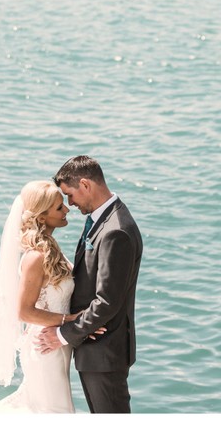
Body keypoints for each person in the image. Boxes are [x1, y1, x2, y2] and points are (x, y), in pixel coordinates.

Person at [0, 180, 103, 413]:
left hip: (57, 345)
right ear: (41, 217)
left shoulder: (52, 250)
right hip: (43, 347)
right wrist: (73, 320)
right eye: (58, 207)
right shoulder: (35, 257)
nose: (66, 209)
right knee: (55, 413)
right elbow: (24, 311)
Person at [36, 156, 143, 414]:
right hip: (96, 351)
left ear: (85, 184)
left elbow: (106, 302)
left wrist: (62, 335)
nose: (70, 204)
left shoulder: (115, 231)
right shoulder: (104, 219)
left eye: (70, 195)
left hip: (105, 352)